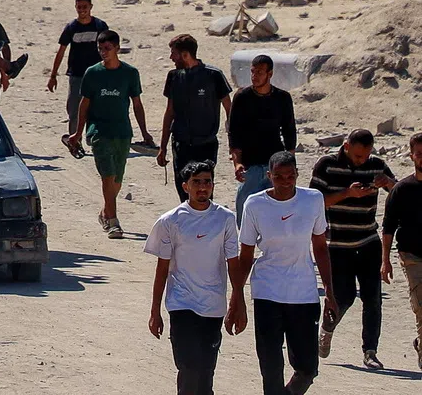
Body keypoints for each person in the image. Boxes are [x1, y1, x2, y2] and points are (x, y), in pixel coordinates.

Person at [229, 151, 338, 395]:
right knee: (270, 366)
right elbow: (245, 255)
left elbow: (320, 247)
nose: (286, 181)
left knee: (308, 368)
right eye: (279, 177)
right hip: (267, 291)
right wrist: (236, 297)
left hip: (303, 293)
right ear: (269, 176)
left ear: (298, 174)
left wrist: (329, 291)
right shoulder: (255, 204)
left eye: (291, 176)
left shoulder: (312, 200)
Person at [145, 160, 240, 395]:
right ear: (185, 186)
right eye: (196, 182)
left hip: (213, 306)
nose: (202, 187)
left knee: (206, 371)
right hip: (182, 304)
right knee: (188, 367)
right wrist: (155, 310)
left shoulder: (225, 219)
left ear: (213, 185)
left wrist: (238, 304)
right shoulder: (171, 221)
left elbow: (233, 263)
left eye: (207, 182)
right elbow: (162, 268)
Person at [310, 129, 396, 369]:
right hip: (337, 245)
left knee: (373, 299)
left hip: (368, 241)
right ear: (346, 146)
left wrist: (387, 183)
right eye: (358, 156)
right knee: (344, 296)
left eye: (366, 156)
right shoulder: (326, 165)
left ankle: (370, 351)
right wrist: (348, 193)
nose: (362, 160)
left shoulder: (377, 164)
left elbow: (399, 194)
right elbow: (313, 200)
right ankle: (328, 328)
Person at [67, 29, 154, 239]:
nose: (103, 52)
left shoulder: (130, 73)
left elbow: (137, 104)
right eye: (100, 48)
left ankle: (105, 212)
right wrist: (78, 133)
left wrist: (145, 133)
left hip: (122, 132)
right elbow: (84, 104)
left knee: (117, 180)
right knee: (107, 176)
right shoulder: (92, 73)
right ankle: (113, 222)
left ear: (117, 48)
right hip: (99, 132)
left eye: (107, 48)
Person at [158, 34, 232, 201]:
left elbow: (229, 110)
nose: (171, 57)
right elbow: (170, 112)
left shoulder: (213, 76)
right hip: (181, 144)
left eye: (173, 53)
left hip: (206, 144)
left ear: (185, 55)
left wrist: (233, 145)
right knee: (183, 189)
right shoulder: (174, 77)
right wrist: (162, 146)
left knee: (204, 190)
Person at [228, 54, 297, 224]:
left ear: (270, 74)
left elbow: (289, 132)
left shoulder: (282, 98)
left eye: (259, 72)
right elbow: (234, 132)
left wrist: (291, 164)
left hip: (275, 165)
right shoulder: (242, 97)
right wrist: (237, 163)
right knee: (245, 215)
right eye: (252, 72)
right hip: (250, 165)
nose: (255, 76)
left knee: (278, 214)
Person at [381, 132, 422, 371]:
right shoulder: (402, 190)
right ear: (412, 156)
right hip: (412, 256)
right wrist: (385, 261)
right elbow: (388, 227)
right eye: (420, 153)